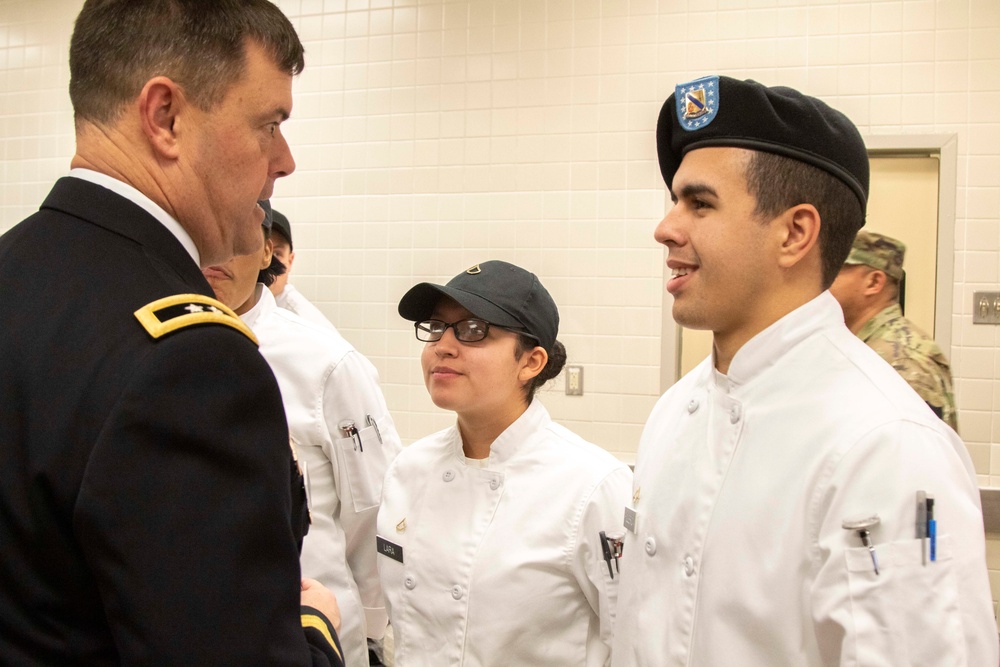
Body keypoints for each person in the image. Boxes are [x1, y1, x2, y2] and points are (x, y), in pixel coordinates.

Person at [0, 1, 344, 664]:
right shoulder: (191, 360)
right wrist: (314, 626)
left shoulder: (15, 271)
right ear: (166, 117)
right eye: (269, 123)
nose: (286, 160)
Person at [611, 75, 996, 666]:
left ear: (794, 233)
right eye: (674, 200)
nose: (666, 227)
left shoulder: (885, 444)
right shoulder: (675, 412)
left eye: (699, 202)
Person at [378, 260, 633, 666]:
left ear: (530, 362)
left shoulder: (593, 487)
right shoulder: (408, 470)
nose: (443, 345)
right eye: (436, 327)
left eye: (473, 330)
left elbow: (637, 644)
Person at [205, 201, 402, 667]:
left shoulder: (325, 362)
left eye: (233, 237)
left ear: (267, 251)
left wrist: (370, 628)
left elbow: (373, 510)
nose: (214, 255)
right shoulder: (150, 346)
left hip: (313, 629)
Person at [831, 230, 959, 432]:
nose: (823, 281)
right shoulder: (867, 344)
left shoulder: (902, 361)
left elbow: (915, 456)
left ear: (873, 282)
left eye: (835, 270)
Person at [267, 206, 339, 331]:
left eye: (277, 254)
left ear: (290, 261)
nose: (267, 262)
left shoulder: (308, 324)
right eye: (262, 251)